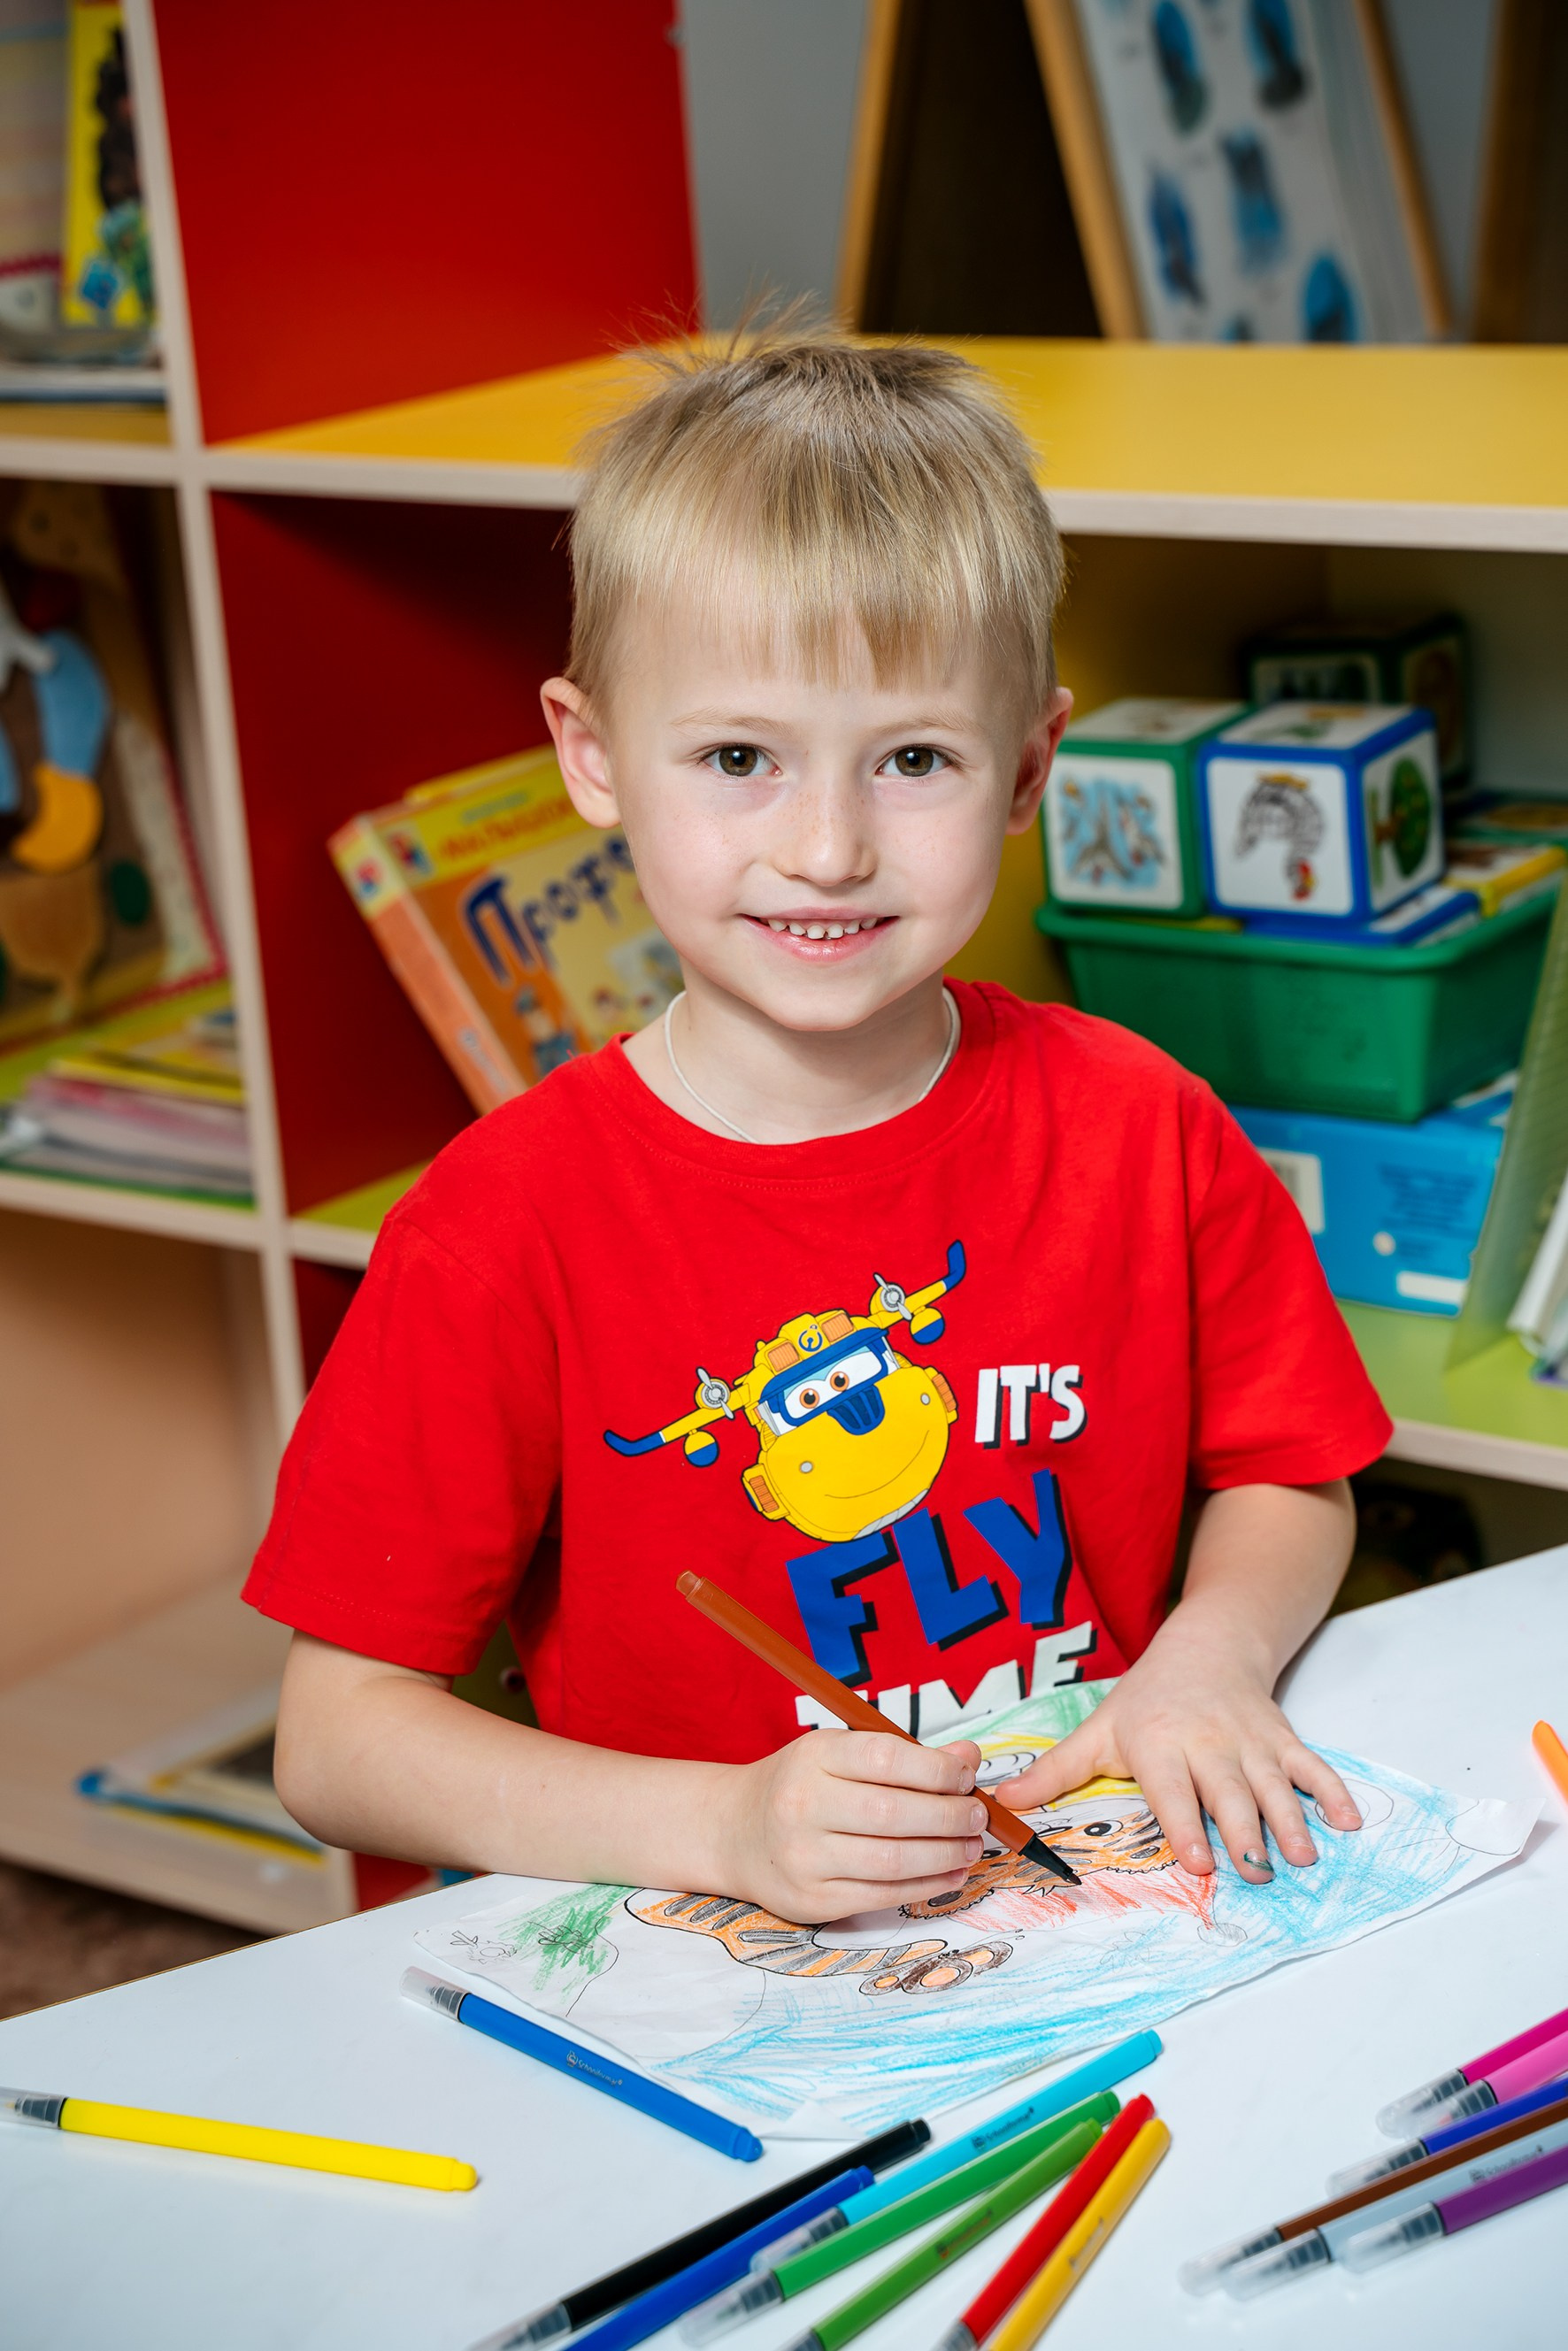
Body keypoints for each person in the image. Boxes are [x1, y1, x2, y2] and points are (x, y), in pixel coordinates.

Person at [251, 331, 1391, 1925]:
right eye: (737, 758)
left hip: (1098, 1911)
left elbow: (1294, 1473)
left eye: (914, 758)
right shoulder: (504, 1221)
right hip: (713, 1962)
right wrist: (727, 1827)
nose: (831, 844)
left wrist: (1209, 1654)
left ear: (1030, 768)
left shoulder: (1146, 1124)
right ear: (592, 756)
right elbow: (335, 1740)